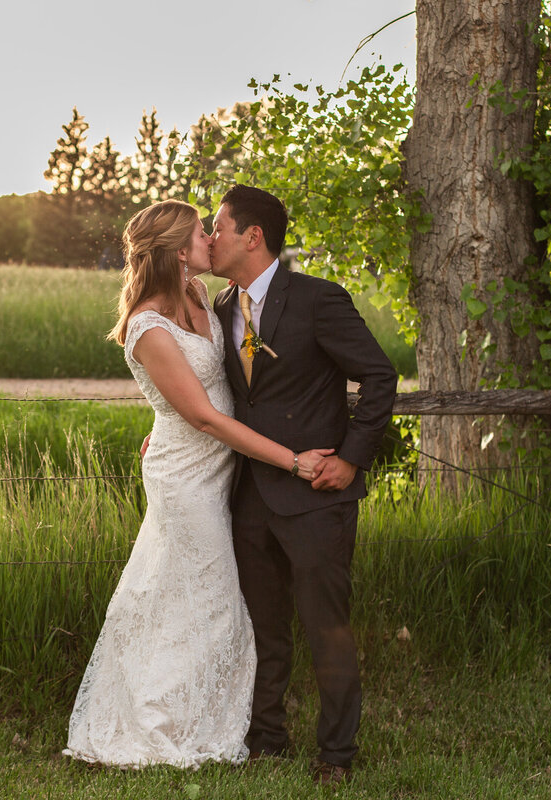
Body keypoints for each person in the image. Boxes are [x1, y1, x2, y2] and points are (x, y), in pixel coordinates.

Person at [63, 200, 333, 768]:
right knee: (212, 597)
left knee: (179, 591)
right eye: (201, 233)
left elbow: (210, 385)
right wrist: (295, 460)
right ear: (179, 253)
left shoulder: (202, 298)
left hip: (221, 467)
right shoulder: (146, 325)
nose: (213, 238)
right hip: (185, 475)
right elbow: (205, 416)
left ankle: (192, 708)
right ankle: (168, 722)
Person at [208, 185, 398, 785]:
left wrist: (352, 459)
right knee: (264, 627)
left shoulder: (318, 300)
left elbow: (379, 375)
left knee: (327, 627)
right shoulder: (220, 309)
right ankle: (267, 738)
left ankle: (336, 754)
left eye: (219, 228)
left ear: (252, 236)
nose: (210, 240)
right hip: (250, 497)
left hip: (317, 495)